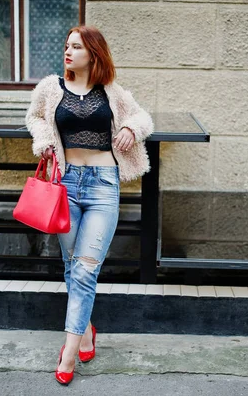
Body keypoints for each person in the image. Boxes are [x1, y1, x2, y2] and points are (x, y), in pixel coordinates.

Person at [25, 25, 154, 386]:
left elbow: (143, 117)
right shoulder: (52, 88)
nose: (68, 51)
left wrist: (131, 128)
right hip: (65, 186)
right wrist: (46, 141)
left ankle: (68, 353)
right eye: (67, 46)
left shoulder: (112, 92)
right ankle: (85, 332)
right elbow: (34, 117)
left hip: (102, 186)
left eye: (76, 46)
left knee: (83, 271)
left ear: (93, 54)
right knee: (72, 266)